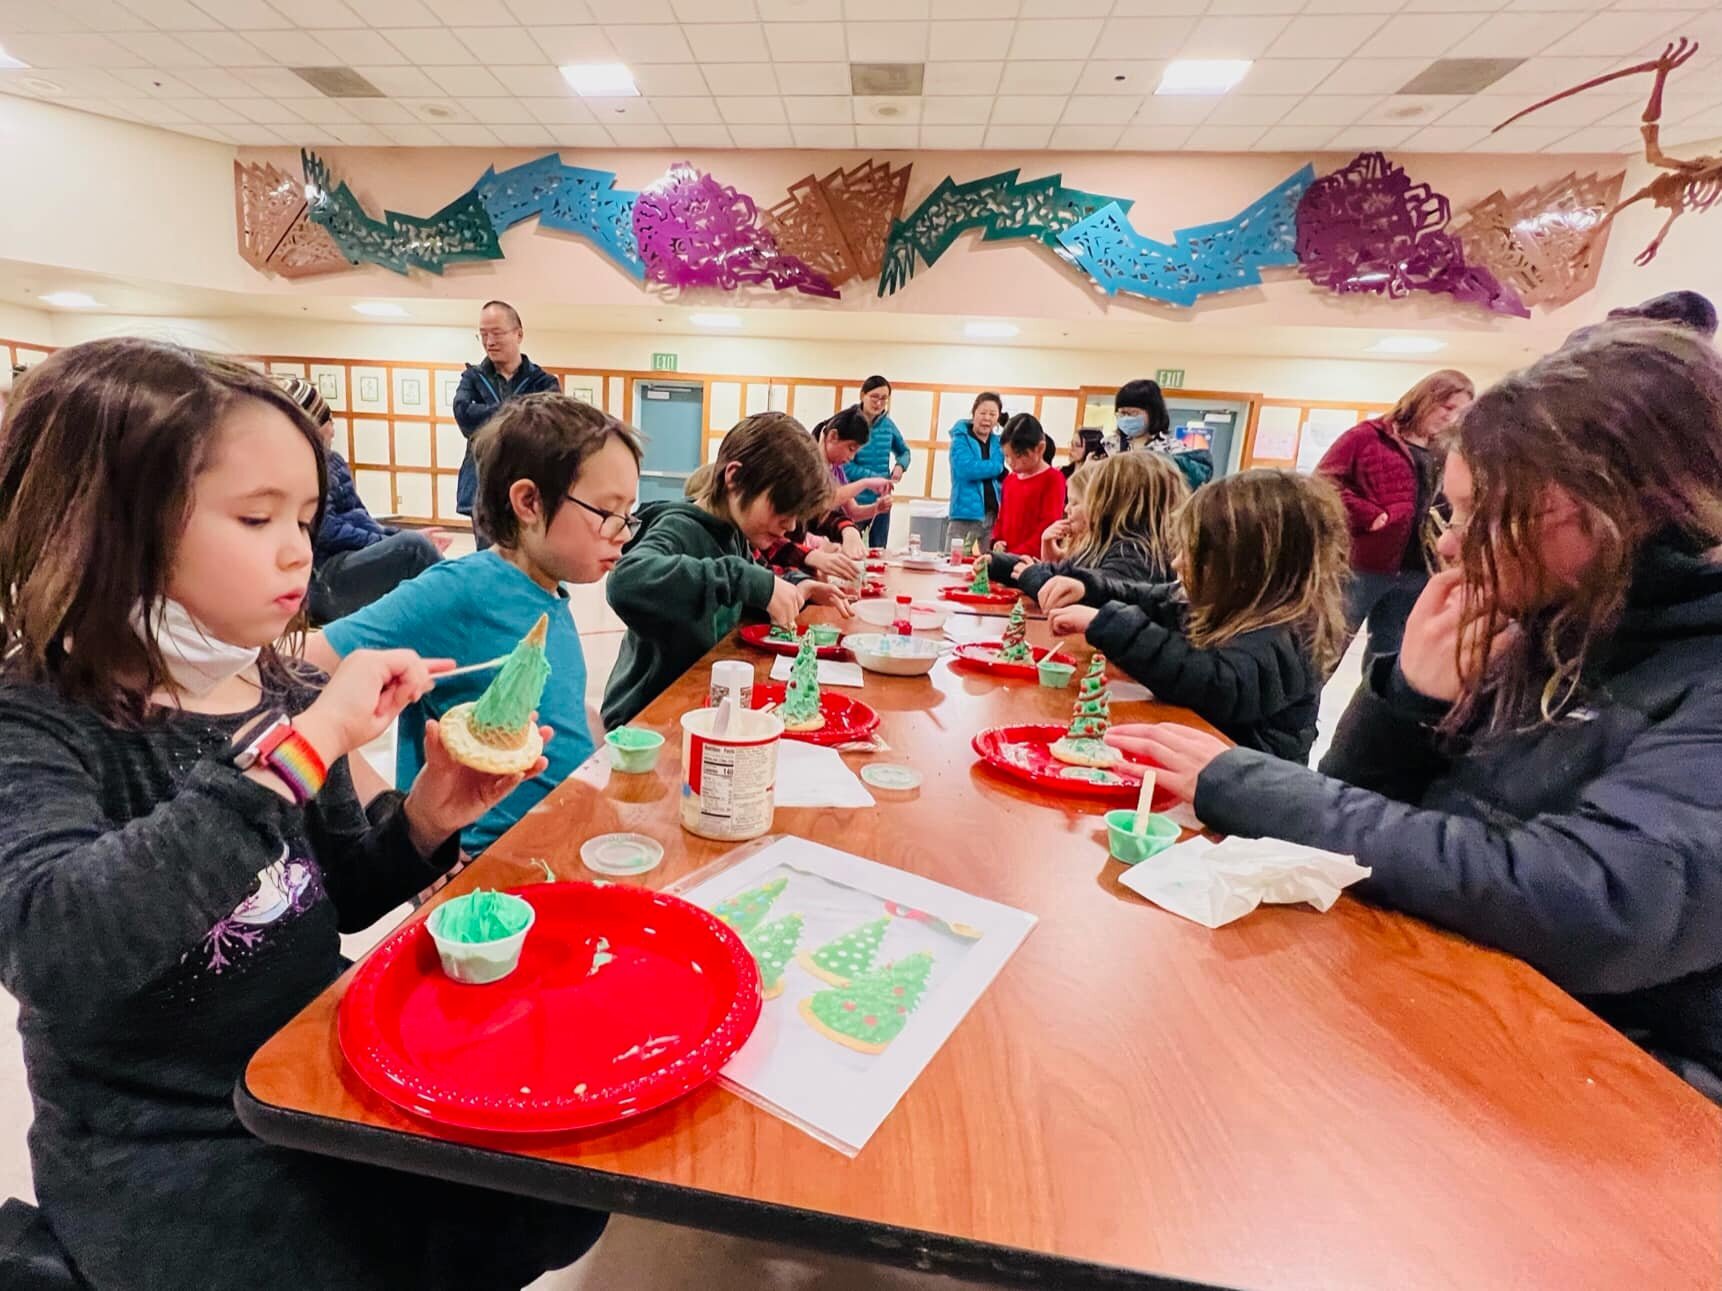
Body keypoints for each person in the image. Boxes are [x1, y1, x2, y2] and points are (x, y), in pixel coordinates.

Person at [0, 338, 604, 1289]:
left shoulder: (269, 683)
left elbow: (338, 892)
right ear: (102, 523)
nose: (299, 549)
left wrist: (427, 819)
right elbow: (59, 949)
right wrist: (297, 752)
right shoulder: (36, 718)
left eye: (308, 516)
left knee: (559, 1187)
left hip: (312, 1068)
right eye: (255, 516)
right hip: (167, 1147)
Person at [1106, 321, 1722, 1105]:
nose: (1453, 546)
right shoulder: (1552, 629)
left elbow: (1592, 903)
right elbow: (1370, 819)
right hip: (1454, 1021)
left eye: (1484, 517)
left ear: (1606, 512)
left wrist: (1249, 783)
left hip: (1615, 1097)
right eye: (1452, 517)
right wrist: (1404, 703)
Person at [306, 394, 634, 856]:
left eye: (628, 514)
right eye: (607, 512)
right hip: (489, 868)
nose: (622, 531)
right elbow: (296, 679)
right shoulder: (464, 589)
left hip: (558, 848)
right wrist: (394, 818)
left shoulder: (549, 592)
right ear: (529, 502)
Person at [1046, 469, 1348, 763]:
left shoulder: (1290, 636)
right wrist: (1088, 587)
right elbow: (1151, 597)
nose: (1177, 563)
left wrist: (1108, 625)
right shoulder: (1225, 602)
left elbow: (1214, 683)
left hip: (1238, 796)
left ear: (1245, 566)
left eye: (1193, 554)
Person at [602, 412, 850, 728]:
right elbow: (625, 581)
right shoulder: (678, 527)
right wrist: (744, 578)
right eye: (782, 510)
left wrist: (798, 585)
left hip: (695, 706)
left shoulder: (733, 533)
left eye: (796, 516)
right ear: (734, 477)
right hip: (645, 719)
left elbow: (752, 581)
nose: (789, 527)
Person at [1317, 369, 1474, 663]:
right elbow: (1323, 484)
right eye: (1447, 407)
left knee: (1390, 656)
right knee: (1327, 648)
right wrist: (1372, 516)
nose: (1452, 418)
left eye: (1461, 412)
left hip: (1418, 569)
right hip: (1362, 565)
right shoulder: (1367, 437)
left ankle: (1371, 709)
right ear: (1425, 398)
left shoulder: (1449, 452)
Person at [278, 376, 449, 624]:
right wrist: (391, 541)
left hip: (346, 563)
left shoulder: (332, 461)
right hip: (322, 578)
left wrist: (392, 536)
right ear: (310, 425)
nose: (333, 428)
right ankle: (473, 615)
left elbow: (361, 519)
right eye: (327, 420)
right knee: (412, 547)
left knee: (412, 543)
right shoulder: (296, 470)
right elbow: (326, 530)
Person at [997, 450, 1187, 597]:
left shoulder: (1134, 552)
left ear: (1116, 502)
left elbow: (1095, 593)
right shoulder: (1108, 543)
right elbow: (1062, 570)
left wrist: (1032, 576)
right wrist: (999, 563)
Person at [454, 300, 560, 550]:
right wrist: (520, 409)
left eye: (497, 333)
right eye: (483, 334)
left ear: (518, 334)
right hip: (481, 487)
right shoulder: (472, 378)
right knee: (489, 561)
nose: (489, 341)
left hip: (528, 487)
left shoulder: (544, 383)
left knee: (529, 558)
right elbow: (465, 417)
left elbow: (546, 431)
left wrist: (490, 416)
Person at [842, 375, 909, 549]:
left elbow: (904, 451)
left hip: (882, 500)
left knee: (878, 550)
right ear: (862, 395)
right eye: (874, 397)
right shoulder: (849, 422)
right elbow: (844, 466)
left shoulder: (888, 425)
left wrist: (901, 465)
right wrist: (872, 479)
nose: (878, 403)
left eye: (884, 399)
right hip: (854, 500)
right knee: (850, 548)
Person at [1113, 378, 1213, 490]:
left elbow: (1195, 481)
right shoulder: (1109, 446)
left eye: (1134, 413)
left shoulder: (1175, 450)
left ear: (1153, 413)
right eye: (1122, 413)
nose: (1127, 418)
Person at [991, 413, 1067, 557]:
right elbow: (1001, 519)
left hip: (1031, 562)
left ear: (1040, 448)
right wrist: (997, 541)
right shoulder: (1010, 480)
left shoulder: (1053, 479)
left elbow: (1047, 527)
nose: (1011, 462)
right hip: (1006, 559)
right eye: (1007, 456)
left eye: (1018, 456)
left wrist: (1013, 556)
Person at [946, 391, 1008, 551]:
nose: (987, 418)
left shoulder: (998, 442)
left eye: (992, 414)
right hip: (964, 513)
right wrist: (997, 467)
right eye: (983, 412)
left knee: (990, 565)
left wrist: (996, 468)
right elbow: (966, 469)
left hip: (992, 513)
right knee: (952, 560)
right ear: (973, 413)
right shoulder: (960, 439)